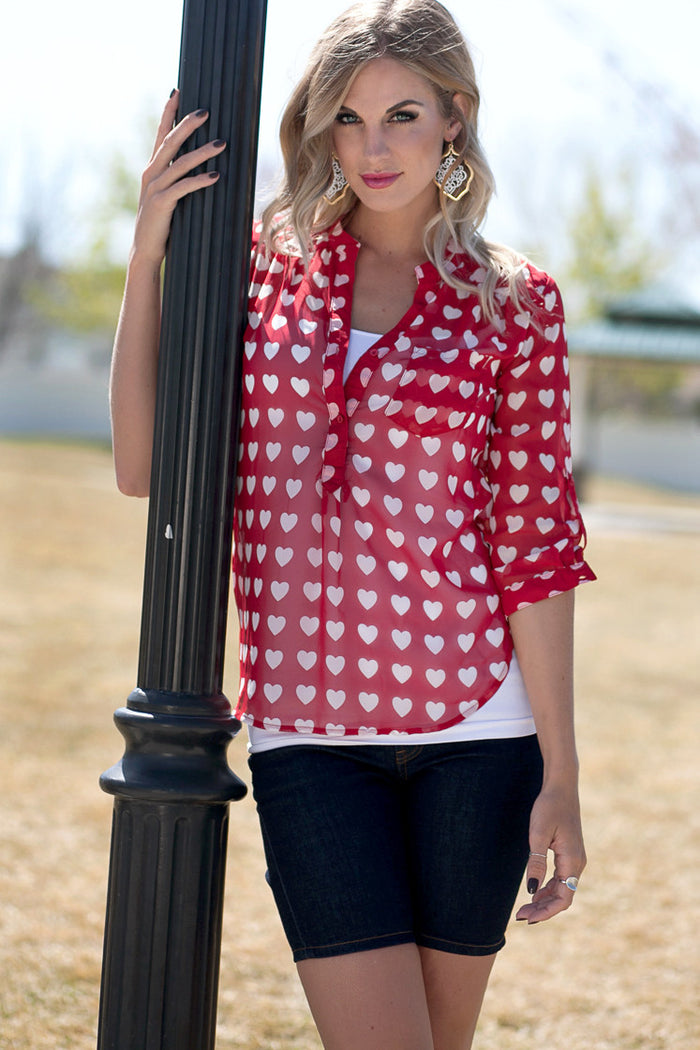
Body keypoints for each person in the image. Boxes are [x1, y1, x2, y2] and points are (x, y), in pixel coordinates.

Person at [110, 1, 595, 1046]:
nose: (373, 149)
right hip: (310, 740)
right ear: (321, 127)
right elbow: (144, 465)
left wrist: (560, 775)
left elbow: (535, 551)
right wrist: (148, 253)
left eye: (403, 116)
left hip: (479, 736)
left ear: (455, 119)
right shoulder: (263, 271)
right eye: (349, 119)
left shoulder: (515, 303)